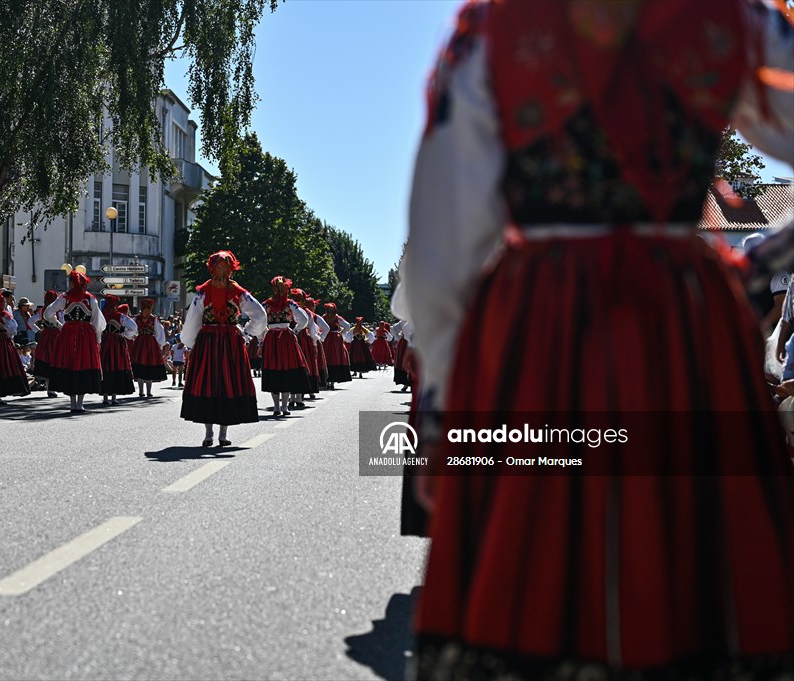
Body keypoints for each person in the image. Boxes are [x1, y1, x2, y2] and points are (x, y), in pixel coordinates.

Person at [402, 2, 794, 678]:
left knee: (527, 563)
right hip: (683, 323)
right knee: (703, 562)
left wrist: (443, 411)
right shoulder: (733, 19)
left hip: (541, 325)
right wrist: (766, 256)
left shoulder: (495, 29)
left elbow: (442, 248)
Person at [180, 250, 266, 445]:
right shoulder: (233, 292)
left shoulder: (206, 292)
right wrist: (246, 333)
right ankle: (214, 434)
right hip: (227, 341)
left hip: (211, 342)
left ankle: (217, 434)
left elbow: (192, 320)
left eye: (224, 267)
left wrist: (192, 343)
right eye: (219, 267)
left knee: (213, 383)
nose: (221, 271)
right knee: (223, 383)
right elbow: (260, 315)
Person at [44, 269, 105, 412]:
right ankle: (79, 404)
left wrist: (59, 325)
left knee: (70, 364)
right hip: (86, 336)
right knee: (83, 364)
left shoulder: (64, 297)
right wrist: (98, 339)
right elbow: (97, 321)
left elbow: (48, 313)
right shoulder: (90, 298)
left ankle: (72, 403)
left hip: (68, 334)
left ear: (72, 283)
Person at [260, 276, 311, 417]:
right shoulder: (287, 304)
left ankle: (281, 406)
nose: (282, 291)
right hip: (284, 338)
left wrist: (262, 336)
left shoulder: (267, 304)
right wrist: (294, 330)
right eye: (280, 288)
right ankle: (280, 407)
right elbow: (304, 320)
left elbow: (258, 319)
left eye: (283, 288)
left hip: (275, 338)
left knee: (280, 370)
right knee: (280, 370)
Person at [99, 294, 137, 405]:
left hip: (105, 342)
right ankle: (114, 397)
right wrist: (124, 332)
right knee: (117, 365)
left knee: (106, 366)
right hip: (117, 344)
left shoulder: (102, 315)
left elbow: (96, 327)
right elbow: (133, 328)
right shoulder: (120, 316)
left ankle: (105, 396)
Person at [130, 298, 169, 398]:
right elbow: (132, 329)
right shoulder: (136, 319)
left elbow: (159, 332)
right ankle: (141, 391)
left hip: (151, 345)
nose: (147, 311)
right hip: (140, 344)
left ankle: (149, 391)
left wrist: (159, 344)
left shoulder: (153, 319)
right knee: (139, 368)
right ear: (142, 309)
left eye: (149, 309)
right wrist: (133, 337)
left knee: (149, 367)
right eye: (146, 309)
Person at [30, 290, 61, 398]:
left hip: (46, 337)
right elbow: (62, 323)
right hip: (56, 336)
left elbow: (30, 322)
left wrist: (39, 331)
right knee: (54, 359)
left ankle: (50, 386)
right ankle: (51, 388)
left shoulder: (42, 311)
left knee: (47, 359)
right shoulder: (58, 311)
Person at [321, 303, 352, 388]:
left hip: (328, 338)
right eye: (329, 310)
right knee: (334, 358)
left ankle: (329, 381)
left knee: (329, 357)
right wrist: (341, 332)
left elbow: (347, 326)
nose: (330, 312)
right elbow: (347, 326)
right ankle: (331, 381)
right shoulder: (336, 318)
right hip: (334, 339)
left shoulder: (324, 317)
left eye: (331, 310)